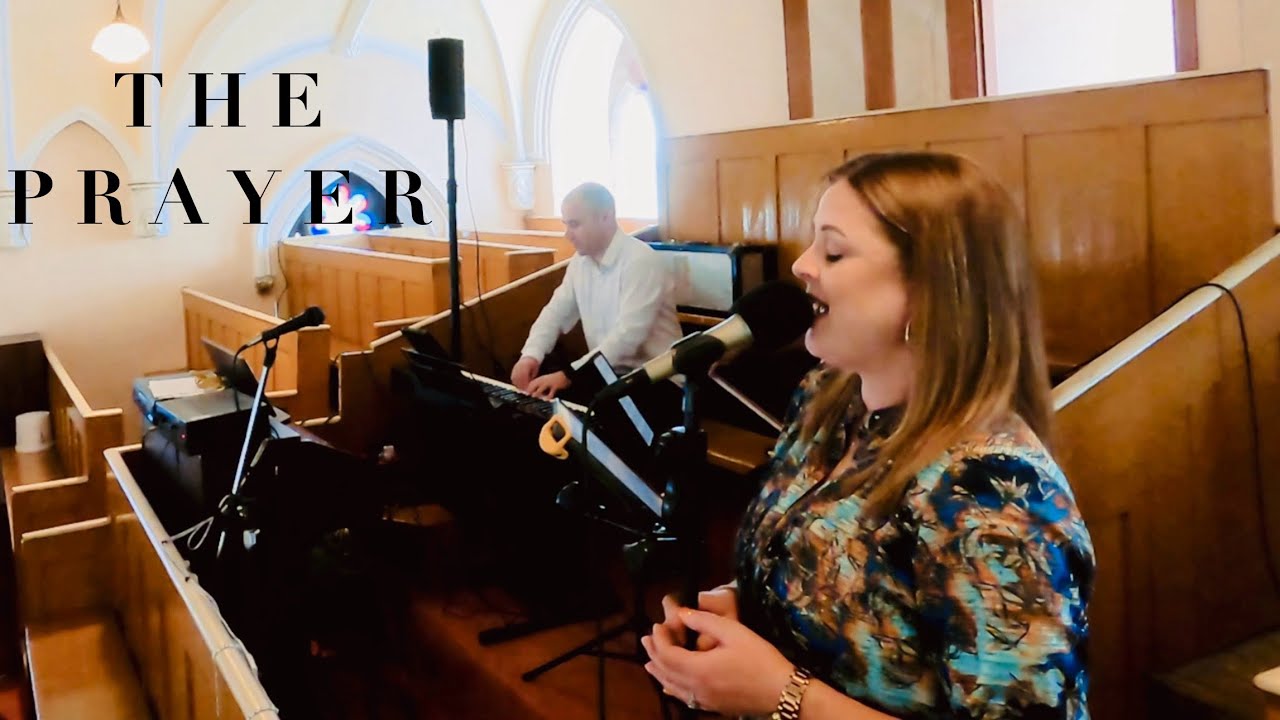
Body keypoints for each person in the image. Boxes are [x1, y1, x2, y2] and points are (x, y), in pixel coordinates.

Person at [641, 152, 1094, 719]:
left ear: (930, 288)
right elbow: (829, 572)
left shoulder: (994, 489)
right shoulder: (826, 399)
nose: (803, 265)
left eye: (832, 250)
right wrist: (746, 606)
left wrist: (781, 695)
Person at [511, 182, 682, 400]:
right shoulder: (579, 263)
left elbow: (628, 337)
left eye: (574, 224)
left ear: (606, 216)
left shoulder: (641, 260)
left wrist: (570, 375)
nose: (568, 235)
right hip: (609, 374)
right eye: (566, 225)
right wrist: (530, 355)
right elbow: (554, 313)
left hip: (659, 379)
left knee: (581, 412)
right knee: (547, 406)